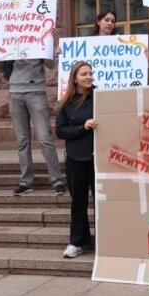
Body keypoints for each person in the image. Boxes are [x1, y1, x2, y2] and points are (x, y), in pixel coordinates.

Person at [0, 31, 67, 197]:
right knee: (22, 140)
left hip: (36, 92)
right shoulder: (9, 38)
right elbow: (0, 68)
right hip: (15, 93)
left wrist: (50, 40)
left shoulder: (38, 34)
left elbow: (49, 65)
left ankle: (57, 181)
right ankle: (25, 182)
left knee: (44, 138)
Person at [56, 61, 96, 258]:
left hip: (98, 158)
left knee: (102, 202)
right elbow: (60, 130)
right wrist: (83, 127)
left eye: (90, 73)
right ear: (75, 78)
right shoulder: (67, 102)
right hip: (76, 158)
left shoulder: (101, 97)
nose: (89, 77)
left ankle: (106, 241)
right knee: (78, 201)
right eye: (84, 74)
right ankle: (77, 242)